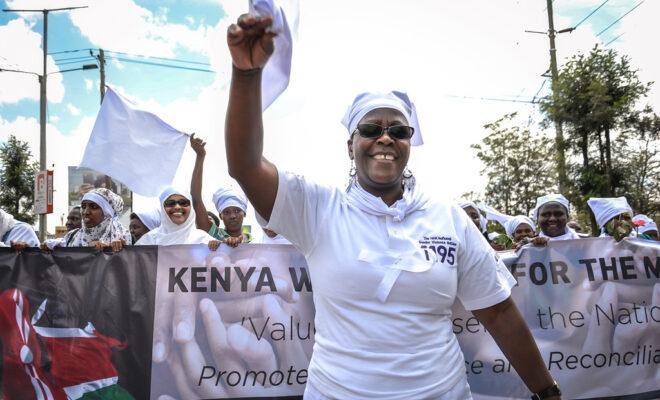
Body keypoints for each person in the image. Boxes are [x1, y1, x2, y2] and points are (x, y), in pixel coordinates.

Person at [223, 13, 560, 400]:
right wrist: (246, 75)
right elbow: (245, 166)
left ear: (408, 144)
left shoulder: (448, 218)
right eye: (370, 129)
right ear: (350, 144)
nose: (385, 138)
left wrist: (547, 392)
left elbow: (498, 313)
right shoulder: (317, 208)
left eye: (398, 131)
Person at [189, 134, 252, 247]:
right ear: (220, 216)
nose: (232, 216)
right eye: (226, 212)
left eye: (237, 211)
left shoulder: (257, 240)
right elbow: (196, 199)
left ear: (245, 213)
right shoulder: (214, 235)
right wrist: (200, 156)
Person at [135, 188, 221, 250]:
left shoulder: (203, 239)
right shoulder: (149, 240)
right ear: (162, 208)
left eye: (183, 203)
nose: (177, 207)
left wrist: (225, 247)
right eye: (170, 203)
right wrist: (122, 250)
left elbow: (222, 264)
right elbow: (132, 265)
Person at [62, 188, 131, 251]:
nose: (86, 212)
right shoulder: (71, 236)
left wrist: (113, 249)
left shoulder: (123, 236)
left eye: (94, 207)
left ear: (107, 213)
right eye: (83, 206)